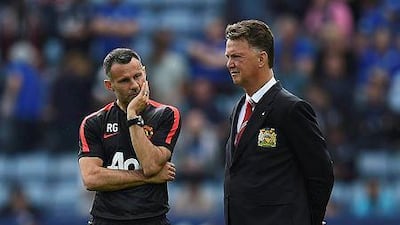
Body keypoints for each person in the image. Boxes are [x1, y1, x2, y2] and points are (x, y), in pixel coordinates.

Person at [223, 19, 334, 225]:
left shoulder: (291, 109)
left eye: (237, 56)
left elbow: (321, 173)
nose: (230, 63)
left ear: (261, 59)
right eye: (228, 57)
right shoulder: (238, 108)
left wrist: (310, 220)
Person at [78, 48, 181, 225]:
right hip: (106, 219)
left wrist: (132, 116)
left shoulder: (166, 114)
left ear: (145, 73)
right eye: (124, 80)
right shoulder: (93, 123)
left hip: (152, 219)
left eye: (137, 76)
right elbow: (92, 179)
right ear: (109, 86)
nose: (134, 85)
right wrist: (145, 177)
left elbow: (150, 165)